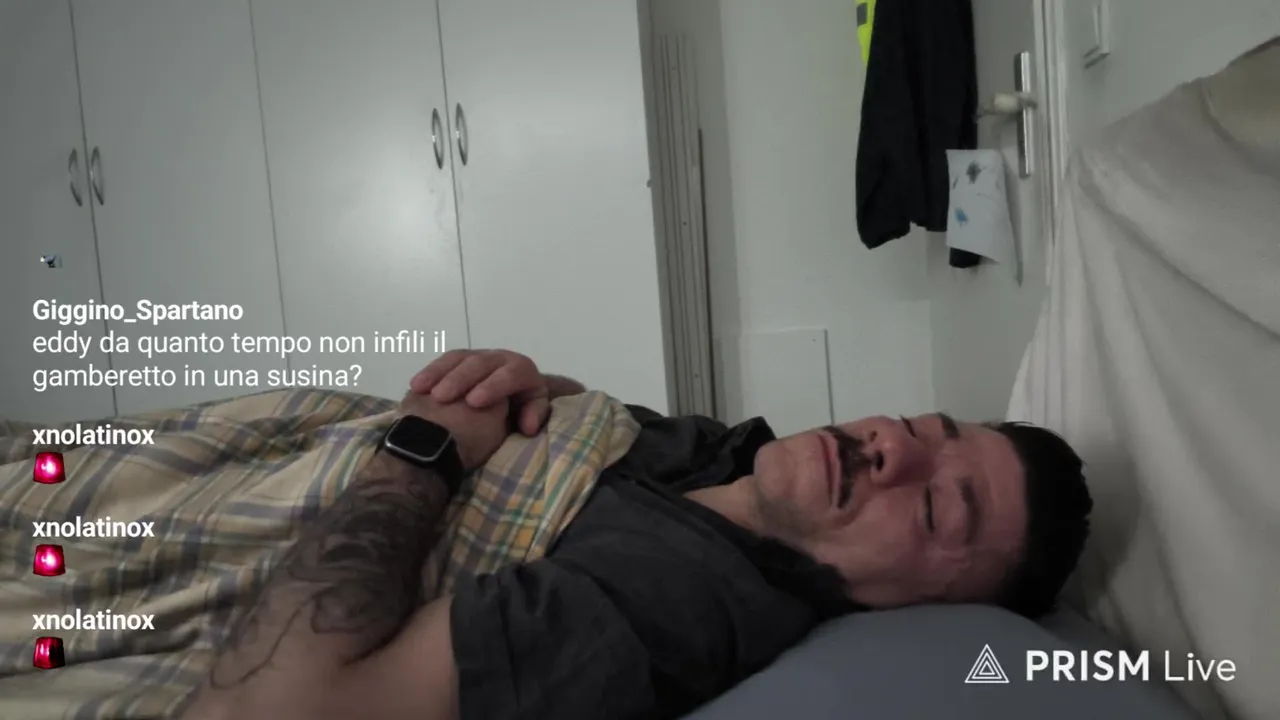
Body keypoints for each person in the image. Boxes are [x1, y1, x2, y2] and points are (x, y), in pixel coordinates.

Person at [181, 348, 1092, 720]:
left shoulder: (667, 610)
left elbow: (268, 711)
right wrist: (536, 390)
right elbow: (593, 438)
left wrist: (424, 451)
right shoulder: (735, 456)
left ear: (916, 609)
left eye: (934, 509)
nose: (891, 444)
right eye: (922, 427)